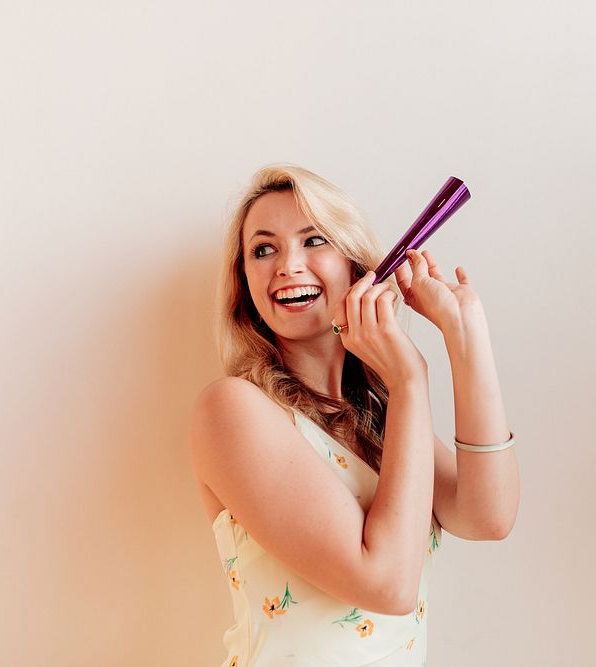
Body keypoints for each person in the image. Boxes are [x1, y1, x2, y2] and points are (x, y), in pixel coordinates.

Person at [190, 164, 519, 666]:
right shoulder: (234, 409)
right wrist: (410, 380)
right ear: (245, 284)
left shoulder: (381, 415)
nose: (286, 265)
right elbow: (387, 584)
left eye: (313, 240)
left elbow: (487, 515)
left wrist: (464, 335)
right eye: (263, 249)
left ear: (355, 265)